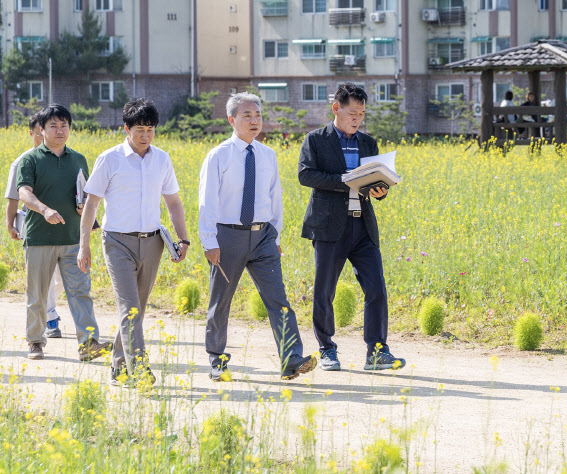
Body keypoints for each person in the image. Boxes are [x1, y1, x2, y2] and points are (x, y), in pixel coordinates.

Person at [198, 91, 315, 382]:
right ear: (231, 119)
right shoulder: (218, 155)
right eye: (247, 115)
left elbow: (274, 196)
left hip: (263, 237)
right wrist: (209, 241)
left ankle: (291, 359)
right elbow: (206, 201)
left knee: (279, 299)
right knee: (220, 301)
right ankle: (216, 360)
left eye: (258, 115)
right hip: (228, 237)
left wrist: (275, 233)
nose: (254, 120)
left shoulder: (267, 155)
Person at [77, 98, 189, 387]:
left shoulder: (162, 159)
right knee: (131, 309)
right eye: (139, 129)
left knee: (136, 308)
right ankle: (139, 369)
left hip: (153, 243)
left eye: (150, 130)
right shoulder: (110, 158)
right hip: (117, 243)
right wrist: (84, 244)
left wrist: (184, 238)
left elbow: (174, 202)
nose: (145, 136)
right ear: (126, 128)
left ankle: (118, 367)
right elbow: (91, 205)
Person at [298, 82, 406, 372]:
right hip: (329, 227)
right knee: (325, 291)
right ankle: (327, 349)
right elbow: (306, 175)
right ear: (336, 109)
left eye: (361, 113)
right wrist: (345, 180)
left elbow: (376, 180)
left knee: (376, 289)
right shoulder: (316, 140)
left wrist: (381, 190)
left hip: (363, 227)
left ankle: (377, 350)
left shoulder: (368, 143)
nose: (357, 119)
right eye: (352, 113)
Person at [16, 104, 112, 361]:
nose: (60, 130)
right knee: (37, 293)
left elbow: (86, 195)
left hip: (73, 239)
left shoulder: (78, 159)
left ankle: (88, 343)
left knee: (81, 292)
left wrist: (85, 210)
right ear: (41, 130)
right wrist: (44, 209)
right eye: (53, 126)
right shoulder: (30, 159)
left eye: (64, 125)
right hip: (39, 239)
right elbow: (24, 192)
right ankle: (36, 341)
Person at [5, 113, 64, 338]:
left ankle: (49, 308)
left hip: (62, 226)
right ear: (33, 133)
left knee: (59, 279)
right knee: (43, 277)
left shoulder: (63, 157)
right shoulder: (22, 161)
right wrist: (10, 224)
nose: (45, 136)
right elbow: (12, 197)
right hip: (34, 228)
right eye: (40, 132)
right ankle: (50, 318)